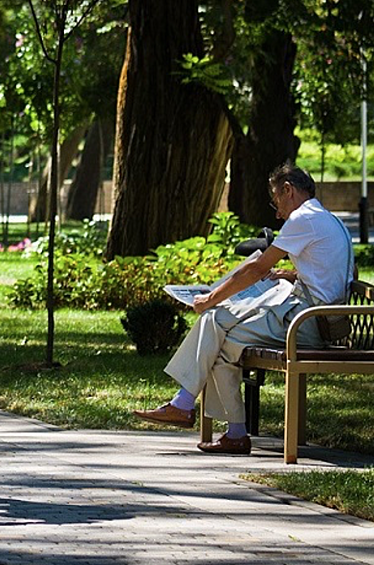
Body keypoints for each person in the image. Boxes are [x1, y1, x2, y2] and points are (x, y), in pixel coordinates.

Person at [133, 164, 354, 454]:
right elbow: (332, 272)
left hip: (307, 323)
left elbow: (257, 267)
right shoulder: (328, 219)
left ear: (288, 190)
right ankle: (227, 429)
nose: (277, 213)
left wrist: (209, 297)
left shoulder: (303, 219)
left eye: (276, 201)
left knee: (215, 321)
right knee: (223, 344)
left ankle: (186, 406)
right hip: (317, 317)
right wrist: (292, 275)